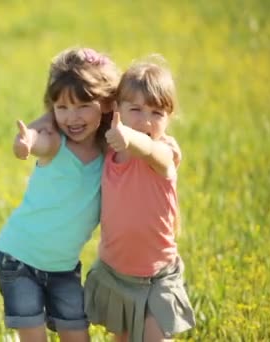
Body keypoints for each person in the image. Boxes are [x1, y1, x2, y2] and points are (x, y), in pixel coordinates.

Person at [0, 47, 119, 342]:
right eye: (62, 108)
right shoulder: (55, 144)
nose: (71, 118)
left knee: (77, 334)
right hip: (19, 258)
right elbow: (36, 142)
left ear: (104, 104)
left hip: (63, 267)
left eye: (82, 106)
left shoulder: (108, 152)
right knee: (34, 336)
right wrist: (25, 143)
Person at [84, 57, 196, 342]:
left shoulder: (164, 152)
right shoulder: (110, 152)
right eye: (135, 109)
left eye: (157, 113)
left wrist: (131, 139)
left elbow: (149, 150)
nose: (146, 120)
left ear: (169, 117)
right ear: (117, 109)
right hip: (116, 272)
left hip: (158, 276)